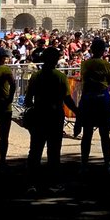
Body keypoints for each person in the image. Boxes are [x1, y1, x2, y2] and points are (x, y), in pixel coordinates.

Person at [23, 46, 77, 194]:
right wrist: (77, 111)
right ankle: (53, 183)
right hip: (55, 116)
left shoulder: (36, 76)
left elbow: (27, 99)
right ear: (56, 60)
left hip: (39, 114)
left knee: (35, 151)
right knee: (54, 151)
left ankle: (31, 183)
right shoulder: (60, 77)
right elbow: (67, 99)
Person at [77, 37, 110, 175]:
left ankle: (84, 164)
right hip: (102, 97)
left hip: (88, 98)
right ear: (103, 51)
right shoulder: (106, 64)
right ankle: (107, 163)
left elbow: (83, 79)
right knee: (105, 133)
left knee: (87, 133)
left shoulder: (85, 64)